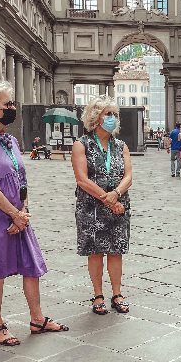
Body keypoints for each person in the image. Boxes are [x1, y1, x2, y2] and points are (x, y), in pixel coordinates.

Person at [0, 80, 68, 347]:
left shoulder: (9, 139)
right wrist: (12, 213)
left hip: (18, 215)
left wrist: (23, 210)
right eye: (7, 104)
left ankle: (37, 318)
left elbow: (20, 178)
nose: (12, 108)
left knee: (32, 267)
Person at [72, 96, 133, 315]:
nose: (113, 118)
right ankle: (98, 294)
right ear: (96, 117)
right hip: (91, 208)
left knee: (116, 251)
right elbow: (82, 179)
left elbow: (128, 176)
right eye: (108, 114)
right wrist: (106, 198)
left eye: (115, 114)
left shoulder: (121, 145)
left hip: (119, 205)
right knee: (95, 252)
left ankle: (117, 293)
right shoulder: (81, 144)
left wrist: (116, 194)